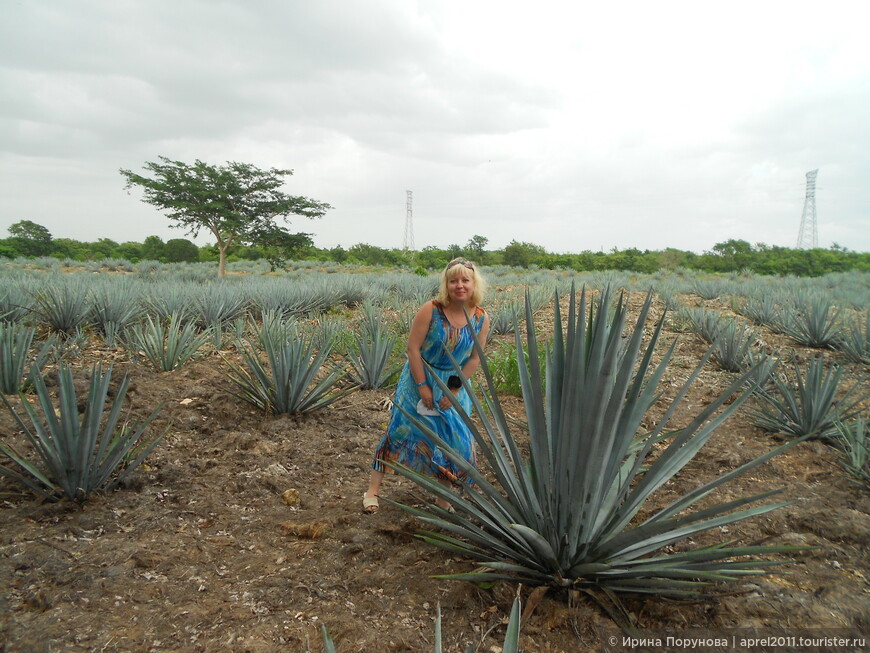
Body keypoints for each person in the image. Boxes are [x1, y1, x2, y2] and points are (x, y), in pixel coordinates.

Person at [362, 258, 490, 513]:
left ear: (474, 283)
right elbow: (413, 349)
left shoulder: (480, 317)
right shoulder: (431, 310)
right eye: (453, 280)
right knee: (400, 432)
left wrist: (453, 390)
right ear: (446, 284)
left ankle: (443, 499)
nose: (459, 285)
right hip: (419, 378)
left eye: (465, 280)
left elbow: (475, 358)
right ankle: (372, 491)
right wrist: (423, 387)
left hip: (454, 385)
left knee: (452, 441)